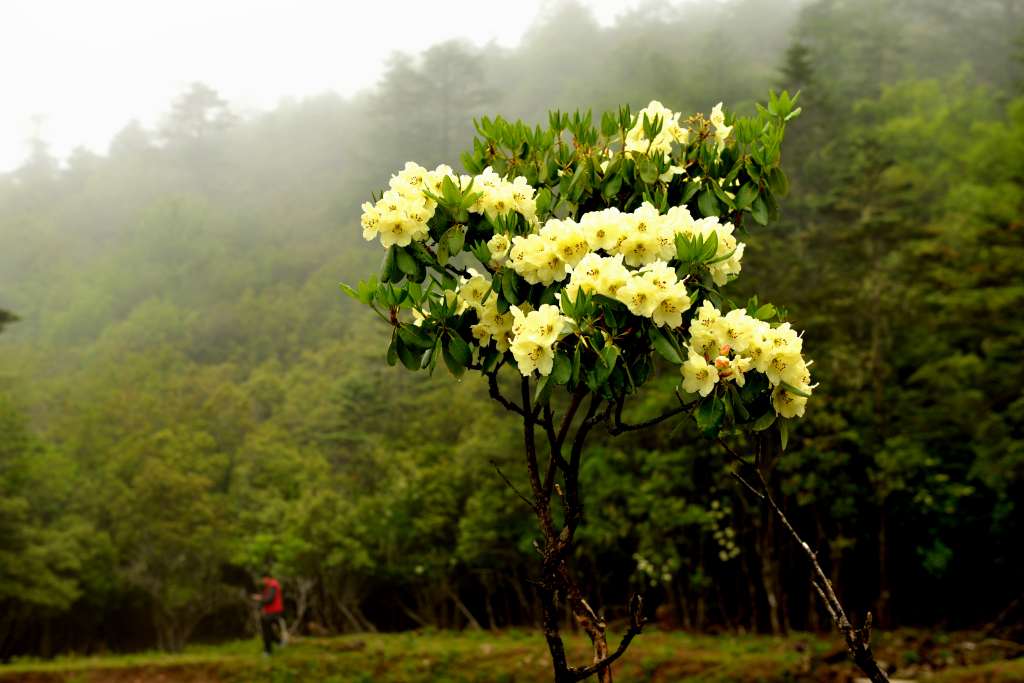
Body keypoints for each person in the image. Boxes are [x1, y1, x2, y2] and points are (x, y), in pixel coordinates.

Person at [252, 571, 284, 656]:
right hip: (270, 611)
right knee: (267, 628)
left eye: (263, 579)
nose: (262, 581)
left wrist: (259, 598)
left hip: (274, 611)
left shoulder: (273, 585)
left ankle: (268, 651)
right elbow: (266, 598)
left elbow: (269, 599)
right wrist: (260, 605)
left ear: (266, 578)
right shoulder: (269, 586)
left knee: (266, 630)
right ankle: (279, 642)